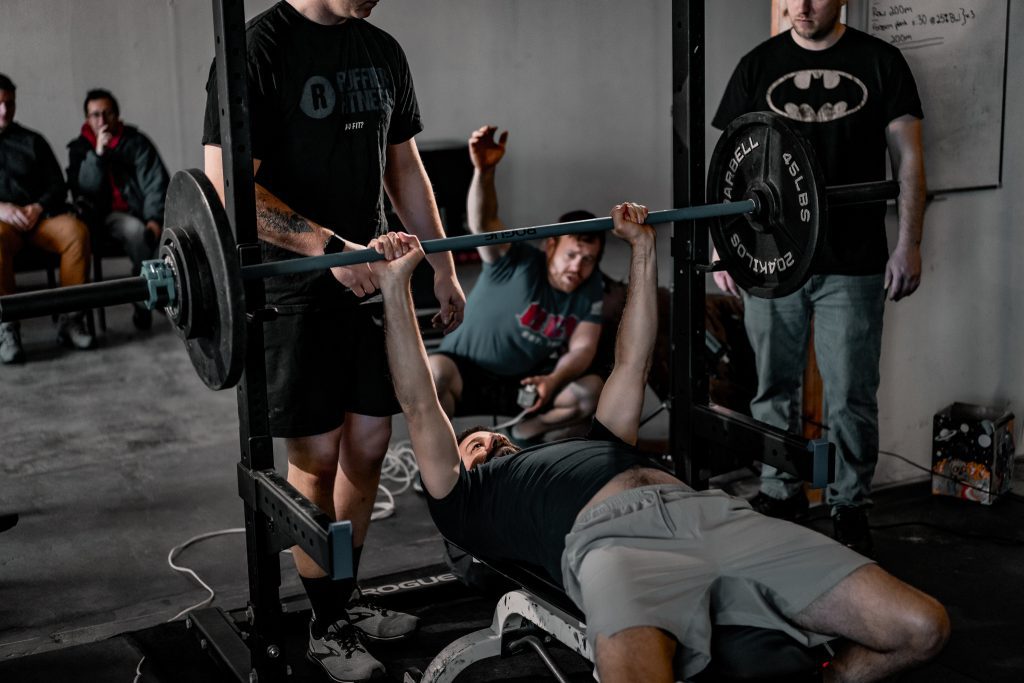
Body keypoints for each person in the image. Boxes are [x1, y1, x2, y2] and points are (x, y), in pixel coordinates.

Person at [370, 205, 949, 683]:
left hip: (712, 515)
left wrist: (643, 248)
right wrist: (396, 288)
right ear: (452, 468)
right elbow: (420, 400)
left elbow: (632, 359)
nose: (489, 440)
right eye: (472, 445)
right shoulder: (463, 505)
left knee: (922, 628)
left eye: (490, 436)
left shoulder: (595, 440)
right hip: (614, 551)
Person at [201, 1, 466, 681]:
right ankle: (325, 624)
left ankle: (339, 600)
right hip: (295, 289)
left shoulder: (381, 49)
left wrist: (442, 265)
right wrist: (327, 248)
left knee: (372, 441)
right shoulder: (255, 51)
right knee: (315, 456)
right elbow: (231, 188)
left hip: (376, 277)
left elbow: (402, 166)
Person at [712, 0, 927, 553]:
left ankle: (850, 503)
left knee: (852, 393)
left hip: (853, 261)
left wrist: (909, 243)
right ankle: (780, 490)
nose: (802, 6)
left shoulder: (881, 62)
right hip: (771, 262)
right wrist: (726, 250)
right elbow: (727, 164)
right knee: (772, 389)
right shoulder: (757, 66)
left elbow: (909, 161)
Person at [430, 126, 604, 445]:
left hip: (525, 383)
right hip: (465, 372)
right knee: (434, 373)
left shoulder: (590, 288)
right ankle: (442, 464)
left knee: (590, 393)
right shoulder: (517, 260)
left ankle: (523, 433)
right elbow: (483, 224)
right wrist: (485, 171)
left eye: (589, 259)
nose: (578, 267)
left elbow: (583, 348)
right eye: (572, 255)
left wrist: (552, 381)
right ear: (551, 246)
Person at [0, 73, 94, 364]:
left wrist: (38, 207)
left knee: (76, 233)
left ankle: (70, 320)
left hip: (39, 220)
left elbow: (57, 184)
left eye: (10, 104)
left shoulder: (32, 140)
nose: (5, 110)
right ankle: (7, 327)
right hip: (3, 225)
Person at [67, 89, 170, 330]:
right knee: (136, 231)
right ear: (87, 119)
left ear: (116, 115)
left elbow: (156, 183)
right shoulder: (79, 149)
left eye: (107, 113)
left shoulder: (136, 142)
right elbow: (84, 190)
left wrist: (155, 218)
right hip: (103, 220)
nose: (101, 121)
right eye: (95, 115)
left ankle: (145, 297)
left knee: (163, 232)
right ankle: (148, 297)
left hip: (143, 214)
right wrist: (99, 154)